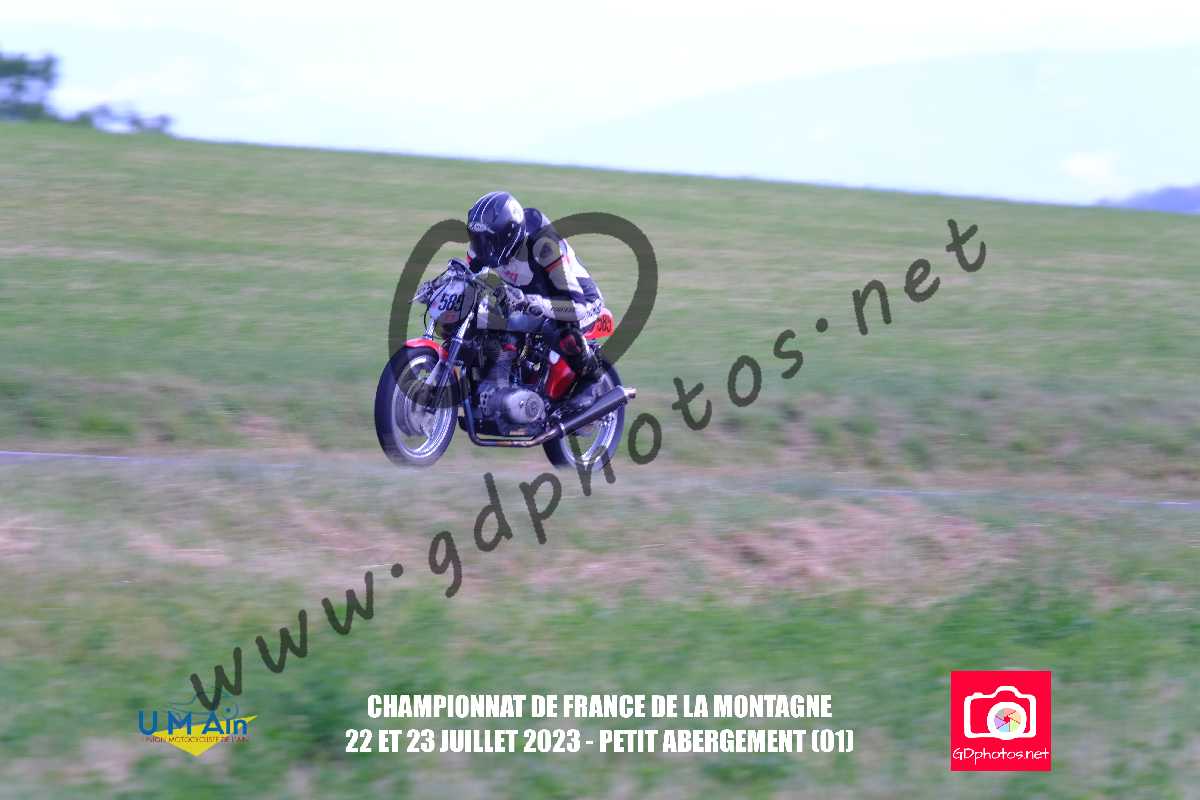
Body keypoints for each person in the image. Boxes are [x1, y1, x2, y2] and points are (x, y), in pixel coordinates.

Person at [464, 190, 605, 391]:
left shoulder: (543, 245)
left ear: (508, 235)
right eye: (476, 238)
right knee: (485, 323)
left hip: (577, 302)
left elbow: (577, 307)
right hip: (528, 302)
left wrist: (532, 302)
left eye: (488, 240)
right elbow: (469, 278)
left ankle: (592, 383)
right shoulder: (481, 247)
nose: (481, 246)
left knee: (562, 333)